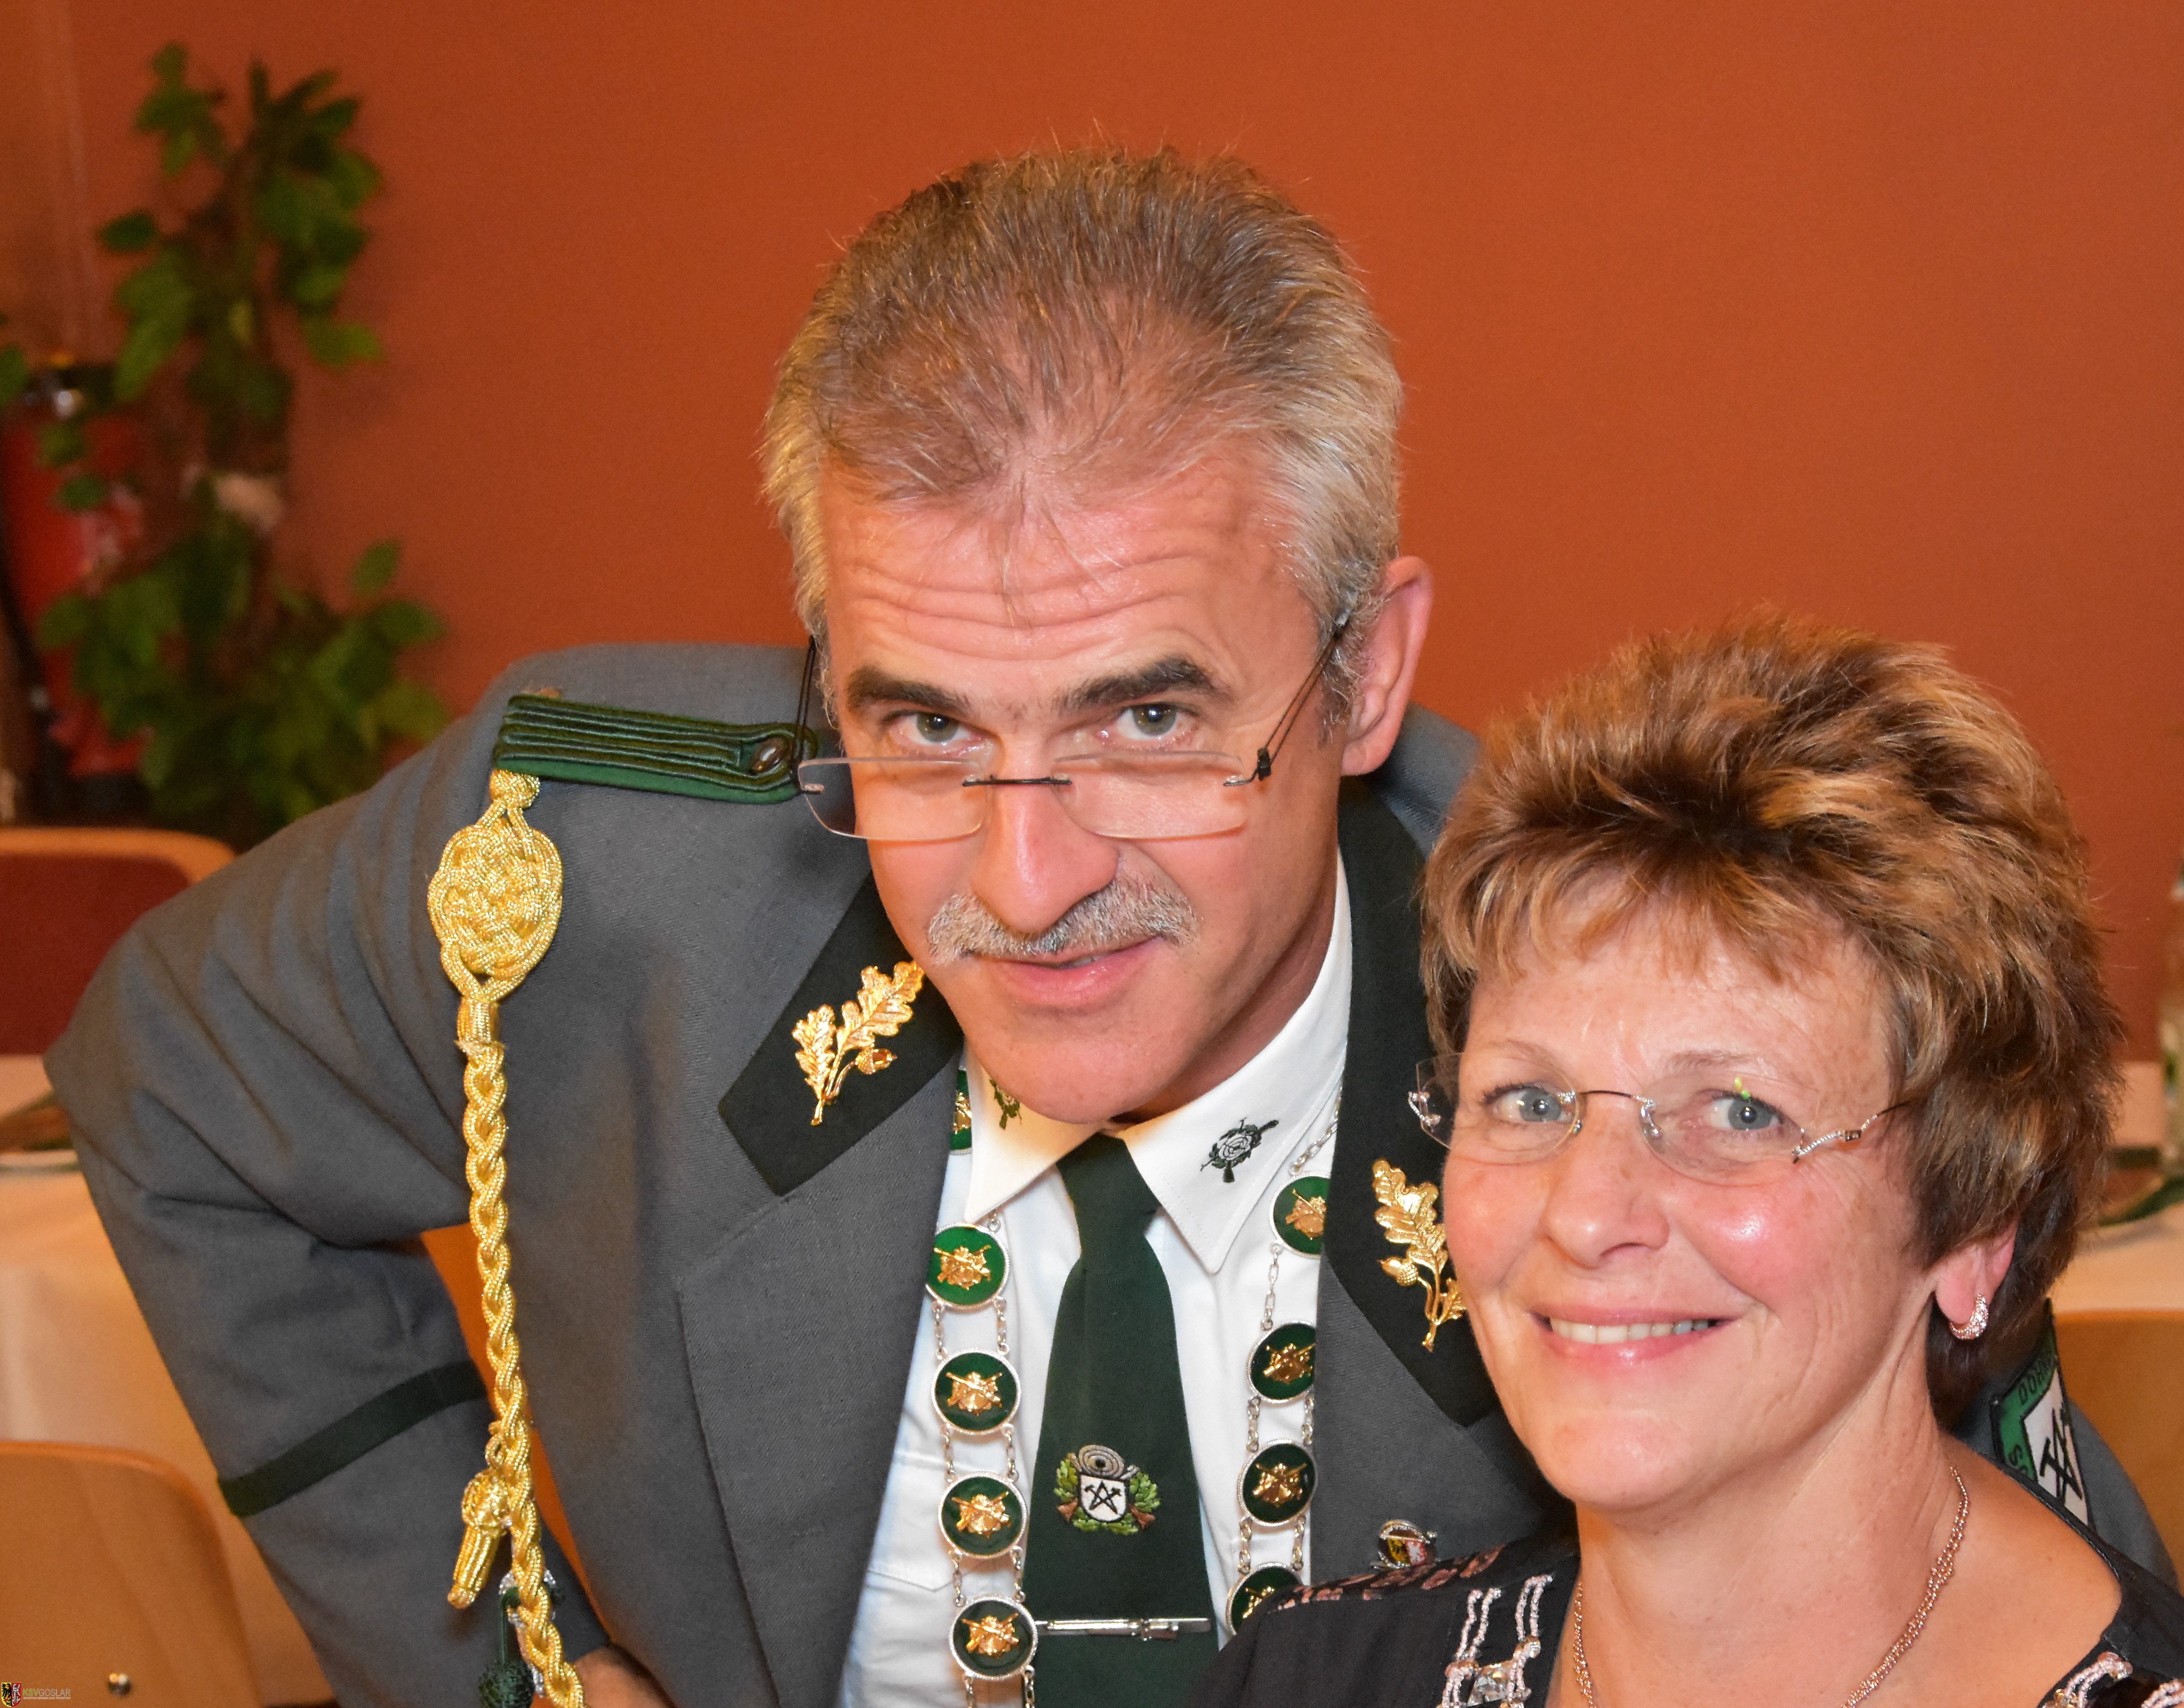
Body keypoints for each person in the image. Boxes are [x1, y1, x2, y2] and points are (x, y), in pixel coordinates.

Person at [45, 157, 2157, 1708]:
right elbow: (170, 1084)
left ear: (1362, 670)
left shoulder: (1625, 990)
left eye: (1149, 723)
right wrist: (516, 1670)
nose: (1029, 879)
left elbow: (2004, 1585)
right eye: (924, 727)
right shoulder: (578, 860)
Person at [1196, 617, 2184, 1708]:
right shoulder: (1304, 1681)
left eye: (1738, 1113)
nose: (1585, 1214)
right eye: (1529, 1101)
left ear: (1973, 1223)